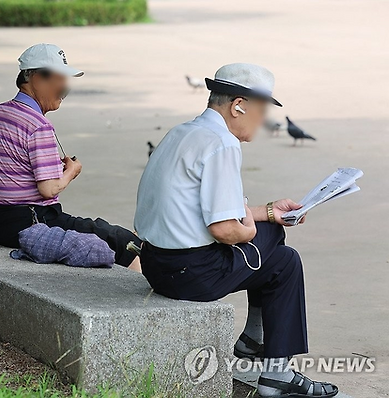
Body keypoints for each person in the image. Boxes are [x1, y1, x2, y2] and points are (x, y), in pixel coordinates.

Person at [135, 64, 338, 397]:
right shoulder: (222, 143)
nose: (262, 120)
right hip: (191, 274)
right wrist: (253, 231)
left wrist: (268, 212)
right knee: (274, 243)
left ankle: (258, 347)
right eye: (260, 111)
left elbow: (210, 210)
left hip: (156, 264)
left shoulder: (183, 132)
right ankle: (271, 368)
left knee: (283, 261)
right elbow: (225, 229)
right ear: (238, 105)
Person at [0, 43, 142, 270]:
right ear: (36, 78)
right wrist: (71, 172)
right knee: (122, 240)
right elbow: (48, 189)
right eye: (61, 79)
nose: (65, 88)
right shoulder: (38, 125)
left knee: (102, 231)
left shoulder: (0, 112)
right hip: (29, 222)